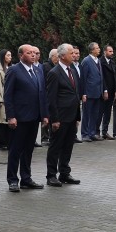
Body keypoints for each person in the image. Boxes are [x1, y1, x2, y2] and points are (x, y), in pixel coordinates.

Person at [2, 44, 47, 191]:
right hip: (19, 118)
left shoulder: (38, 70)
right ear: (21, 55)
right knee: (15, 150)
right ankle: (12, 180)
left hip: (34, 117)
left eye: (34, 52)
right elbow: (8, 95)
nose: (33, 55)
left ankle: (26, 178)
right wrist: (11, 116)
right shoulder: (14, 70)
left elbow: (42, 93)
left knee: (28, 150)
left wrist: (44, 115)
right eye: (29, 53)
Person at [43, 43, 83, 187]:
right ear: (62, 56)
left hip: (72, 116)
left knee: (68, 146)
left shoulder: (72, 70)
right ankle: (51, 175)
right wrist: (54, 119)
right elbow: (51, 98)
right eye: (71, 53)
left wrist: (77, 116)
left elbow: (75, 93)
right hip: (60, 117)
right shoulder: (54, 73)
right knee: (56, 146)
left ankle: (65, 173)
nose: (74, 55)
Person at [78, 41, 104, 142]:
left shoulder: (98, 61)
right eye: (97, 48)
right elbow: (83, 78)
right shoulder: (86, 61)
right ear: (92, 50)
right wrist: (83, 93)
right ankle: (85, 134)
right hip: (89, 93)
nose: (99, 49)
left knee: (95, 114)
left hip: (97, 92)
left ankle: (92, 133)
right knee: (87, 114)